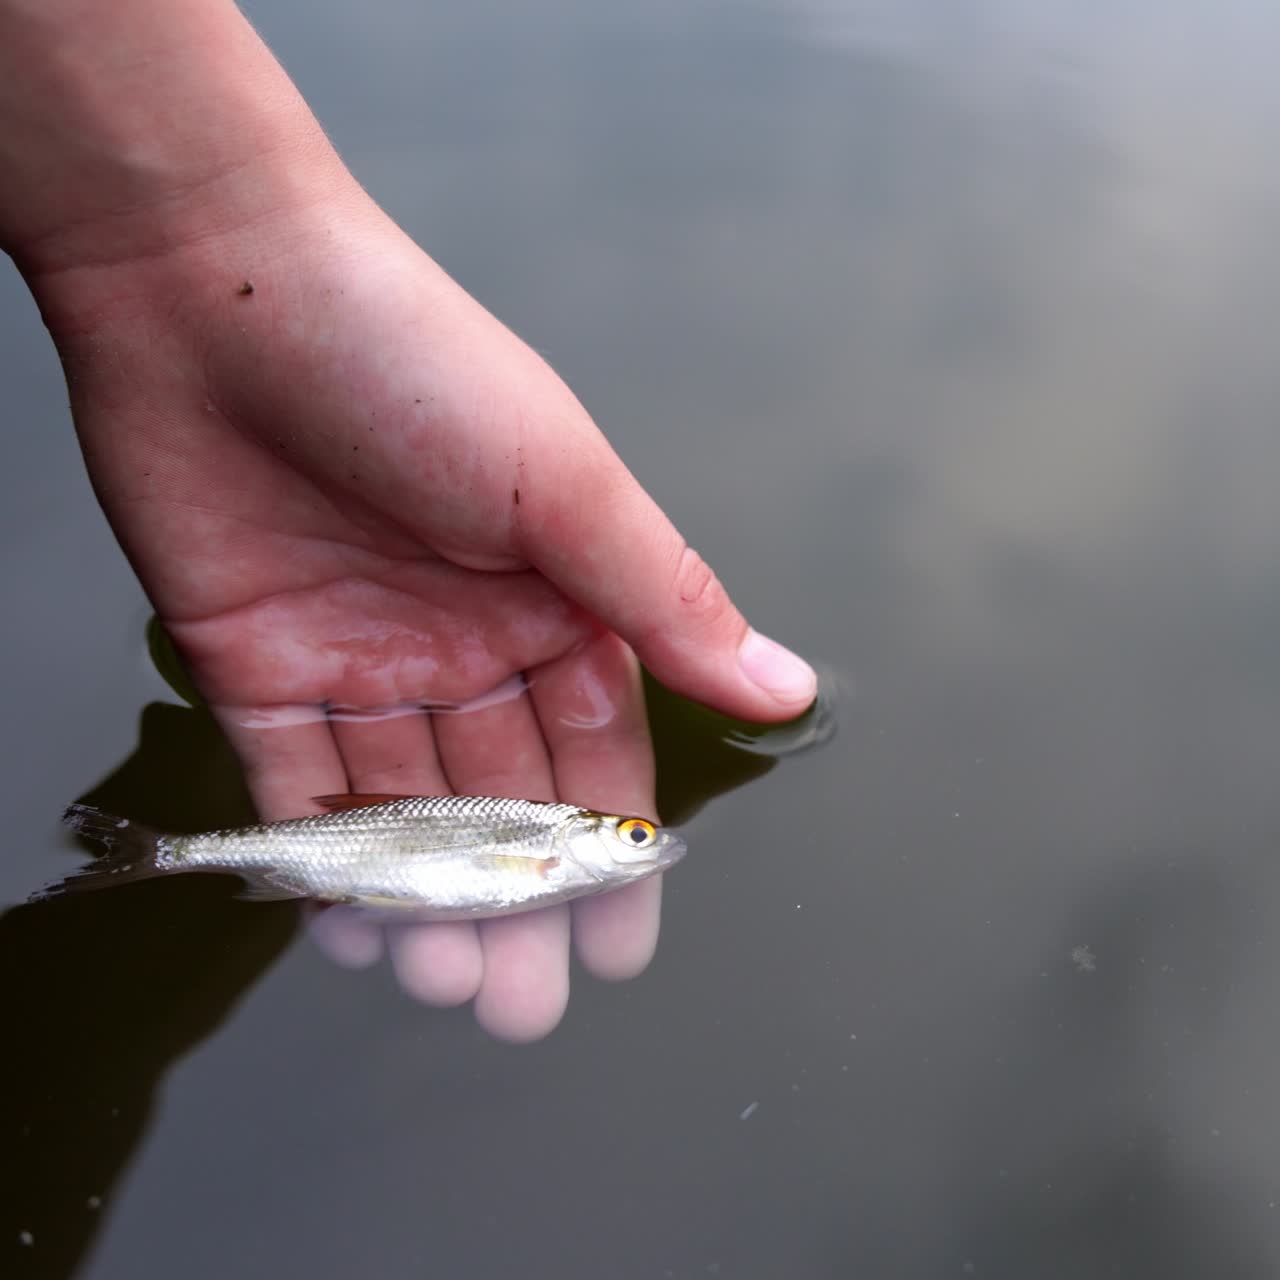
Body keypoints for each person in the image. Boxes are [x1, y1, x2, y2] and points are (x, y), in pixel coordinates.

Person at [0, 0, 817, 1041]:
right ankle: (154, 865)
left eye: (630, 830)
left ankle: (155, 862)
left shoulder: (538, 841)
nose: (640, 835)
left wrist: (173, 245)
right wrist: (196, 239)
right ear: (573, 832)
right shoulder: (541, 840)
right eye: (625, 829)